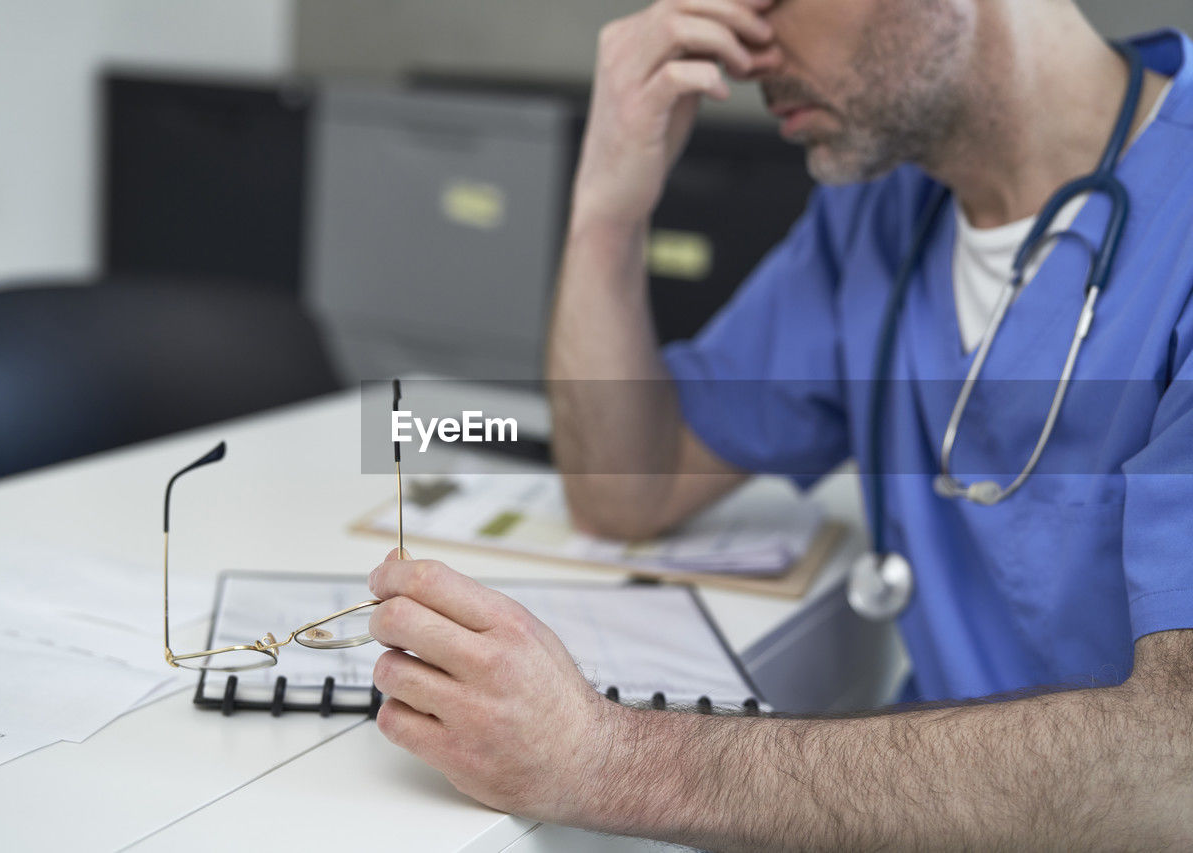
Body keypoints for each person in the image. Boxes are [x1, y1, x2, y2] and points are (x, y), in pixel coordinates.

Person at [367, 0, 1193, 847]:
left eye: (767, 2)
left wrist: (604, 756)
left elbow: (1178, 763)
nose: (742, 53)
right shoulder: (878, 218)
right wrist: (608, 207)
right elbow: (628, 485)